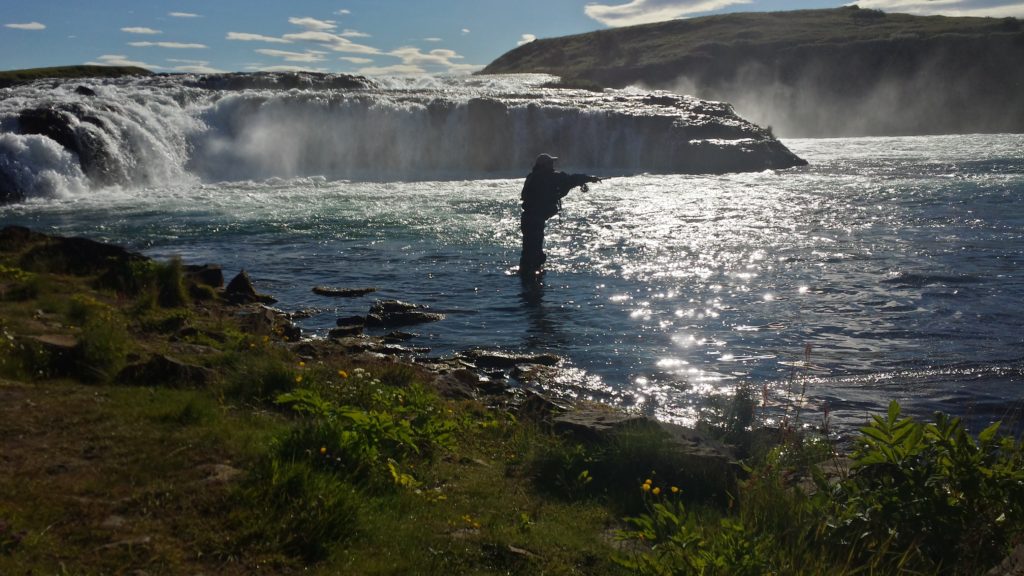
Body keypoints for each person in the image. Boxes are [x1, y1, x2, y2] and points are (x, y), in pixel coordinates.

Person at [518, 153, 601, 275]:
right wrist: (590, 178)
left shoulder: (531, 177)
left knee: (528, 249)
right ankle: (533, 276)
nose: (552, 165)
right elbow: (571, 179)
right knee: (535, 249)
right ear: (544, 166)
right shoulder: (550, 177)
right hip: (536, 219)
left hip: (527, 218)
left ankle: (526, 273)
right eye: (550, 163)